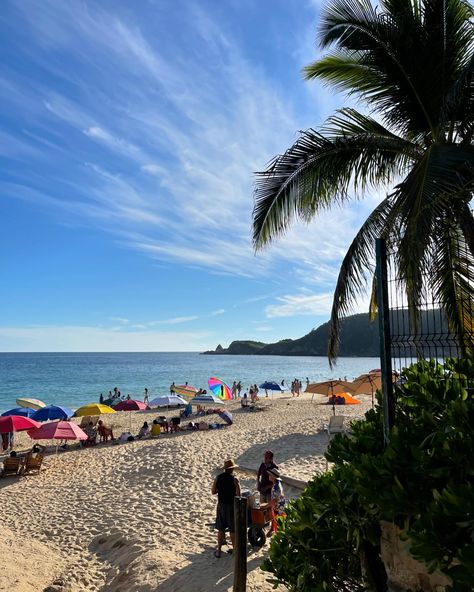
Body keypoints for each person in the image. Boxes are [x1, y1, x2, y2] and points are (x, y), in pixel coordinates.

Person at [212, 458, 240, 558]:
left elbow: (213, 492)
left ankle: (219, 550)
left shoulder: (218, 478)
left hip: (221, 506)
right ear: (232, 469)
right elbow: (238, 495)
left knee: (221, 529)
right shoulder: (234, 479)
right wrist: (237, 486)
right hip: (231, 506)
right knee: (232, 530)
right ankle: (235, 551)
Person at [267, 467, 286, 534]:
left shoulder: (276, 487)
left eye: (270, 475)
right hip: (281, 507)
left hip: (278, 509)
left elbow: (275, 500)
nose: (269, 476)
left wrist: (267, 505)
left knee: (279, 528)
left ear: (273, 477)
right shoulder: (277, 484)